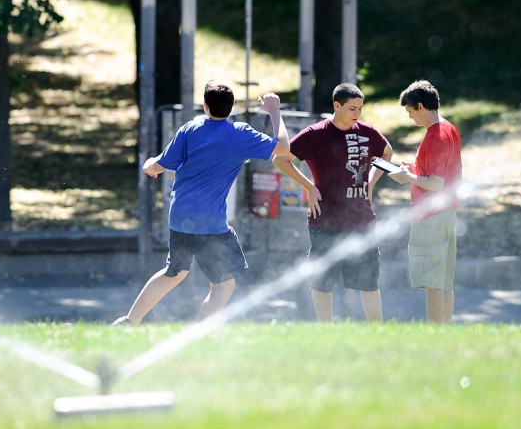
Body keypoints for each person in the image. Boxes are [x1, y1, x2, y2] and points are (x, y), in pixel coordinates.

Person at [113, 82, 290, 325]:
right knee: (223, 284)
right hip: (211, 224)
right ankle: (199, 331)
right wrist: (274, 111)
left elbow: (160, 164)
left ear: (206, 106)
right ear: (231, 108)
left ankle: (129, 320)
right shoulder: (241, 134)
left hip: (181, 217)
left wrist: (148, 165)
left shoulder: (190, 129)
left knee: (173, 273)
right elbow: (284, 149)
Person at [272, 83, 393, 322]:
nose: (357, 114)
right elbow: (280, 159)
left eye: (360, 108)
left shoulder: (367, 131)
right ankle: (324, 328)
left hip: (361, 220)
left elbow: (387, 152)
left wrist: (370, 182)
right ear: (336, 106)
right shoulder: (316, 133)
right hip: (325, 219)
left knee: (368, 280)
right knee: (322, 281)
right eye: (351, 108)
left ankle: (376, 329)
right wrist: (309, 187)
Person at [386, 80, 463, 324]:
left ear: (420, 106)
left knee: (432, 284)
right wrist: (412, 169)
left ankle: (434, 333)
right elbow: (436, 173)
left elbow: (436, 184)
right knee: (444, 283)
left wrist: (407, 177)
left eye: (410, 112)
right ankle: (445, 332)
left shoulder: (435, 136)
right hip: (448, 216)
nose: (411, 118)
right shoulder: (449, 129)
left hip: (431, 218)